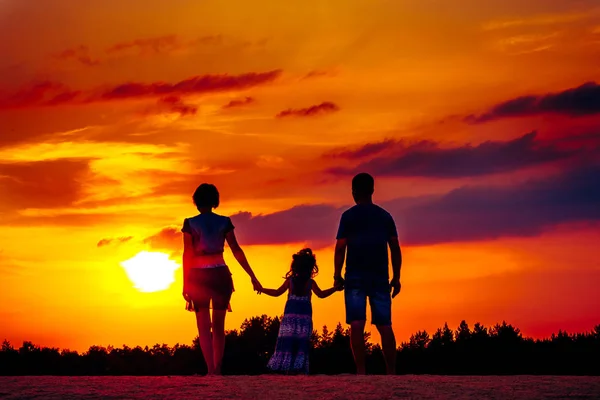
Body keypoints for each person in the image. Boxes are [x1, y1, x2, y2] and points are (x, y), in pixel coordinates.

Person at [181, 183, 262, 375]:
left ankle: (210, 369)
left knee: (203, 325)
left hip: (198, 275)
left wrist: (185, 283)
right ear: (214, 201)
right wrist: (252, 276)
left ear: (196, 201)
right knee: (219, 326)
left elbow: (187, 254)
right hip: (220, 274)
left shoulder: (190, 223)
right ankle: (217, 369)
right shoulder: (224, 222)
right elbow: (236, 250)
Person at [334, 172, 402, 375]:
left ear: (354, 191)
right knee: (385, 325)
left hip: (355, 276)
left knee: (356, 324)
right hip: (380, 276)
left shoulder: (348, 217)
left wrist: (337, 275)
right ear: (372, 190)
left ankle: (361, 372)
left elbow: (340, 247)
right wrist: (397, 277)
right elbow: (395, 248)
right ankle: (391, 371)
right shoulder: (385, 216)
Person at [257, 248, 342, 375]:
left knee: (288, 342)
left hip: (289, 320)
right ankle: (298, 368)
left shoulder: (290, 282)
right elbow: (322, 294)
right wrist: (335, 289)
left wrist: (262, 289)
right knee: (301, 343)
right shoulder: (310, 283)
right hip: (304, 320)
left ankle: (287, 368)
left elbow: (276, 293)